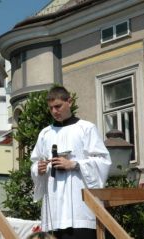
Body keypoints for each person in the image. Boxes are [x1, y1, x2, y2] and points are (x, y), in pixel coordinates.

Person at [30, 86, 111, 239]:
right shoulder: (45, 134)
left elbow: (103, 161)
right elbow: (35, 163)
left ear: (69, 102)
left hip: (80, 209)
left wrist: (74, 164)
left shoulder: (86, 128)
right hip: (54, 210)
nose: (54, 111)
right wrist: (38, 169)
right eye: (51, 108)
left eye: (58, 106)